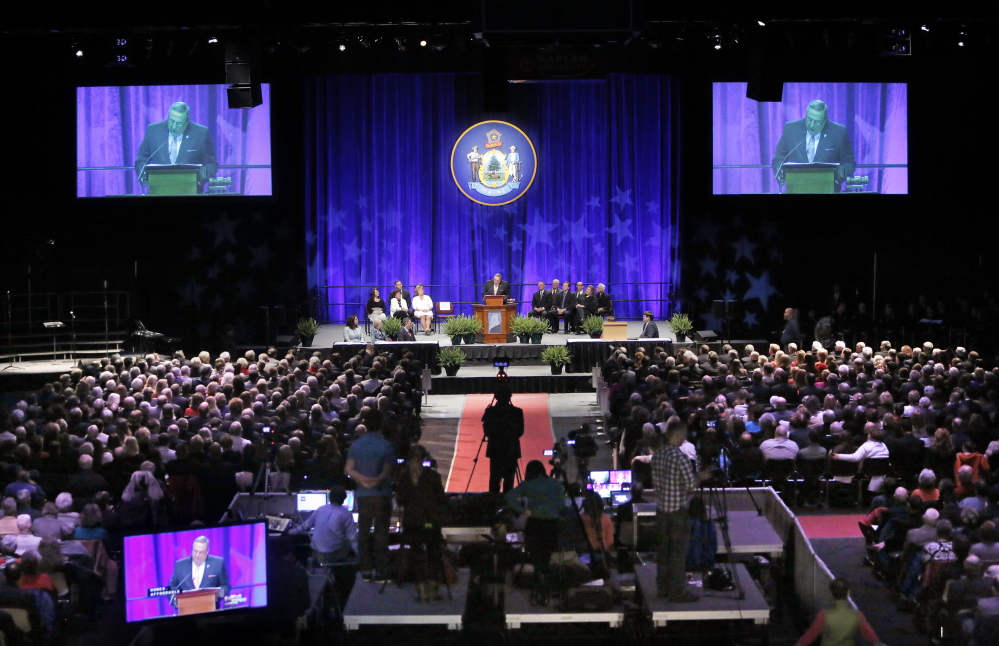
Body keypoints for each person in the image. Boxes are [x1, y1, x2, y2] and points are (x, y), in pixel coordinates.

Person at [504, 460, 566, 605]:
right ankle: (545, 582)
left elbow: (508, 497)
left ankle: (539, 581)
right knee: (547, 553)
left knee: (537, 554)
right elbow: (562, 506)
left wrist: (522, 510)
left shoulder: (528, 484)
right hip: (552, 523)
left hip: (535, 523)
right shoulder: (556, 484)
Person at [395, 445, 449, 602]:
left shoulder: (404, 477)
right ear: (425, 459)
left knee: (417, 555)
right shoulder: (433, 476)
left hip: (412, 522)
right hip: (430, 522)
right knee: (434, 554)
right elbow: (441, 499)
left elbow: (400, 500)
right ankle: (433, 590)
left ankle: (421, 592)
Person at [651, 423, 698, 602]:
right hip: (678, 511)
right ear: (678, 436)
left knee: (663, 551)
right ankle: (677, 592)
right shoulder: (680, 457)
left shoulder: (658, 455)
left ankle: (662, 589)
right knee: (678, 553)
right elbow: (690, 485)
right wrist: (700, 477)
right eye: (684, 435)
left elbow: (656, 484)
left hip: (661, 510)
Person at [345, 421, 396, 581]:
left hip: (363, 495)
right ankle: (381, 571)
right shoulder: (387, 445)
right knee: (382, 533)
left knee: (364, 533)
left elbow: (348, 470)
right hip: (382, 495)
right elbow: (388, 471)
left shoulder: (356, 445)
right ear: (380, 426)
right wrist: (375, 481)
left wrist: (363, 480)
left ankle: (366, 570)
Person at [771, 99, 856, 191]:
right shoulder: (791, 129)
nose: (811, 125)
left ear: (825, 119)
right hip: (796, 188)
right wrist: (781, 175)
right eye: (809, 119)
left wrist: (839, 174)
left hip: (827, 189)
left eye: (816, 122)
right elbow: (779, 159)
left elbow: (849, 163)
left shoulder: (839, 132)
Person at [135, 101, 218, 190]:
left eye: (178, 123)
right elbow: (141, 160)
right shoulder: (153, 130)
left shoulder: (201, 133)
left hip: (190, 191)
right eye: (171, 121)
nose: (173, 126)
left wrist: (198, 178)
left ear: (187, 122)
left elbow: (211, 164)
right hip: (159, 190)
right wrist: (146, 178)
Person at [795, 578, 885, 646]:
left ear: (831, 594)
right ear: (848, 593)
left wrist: (799, 644)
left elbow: (811, 634)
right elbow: (868, 633)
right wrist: (878, 642)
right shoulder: (857, 615)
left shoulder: (824, 615)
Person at [292, 485, 357, 564]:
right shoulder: (346, 514)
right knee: (348, 542)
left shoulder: (321, 509)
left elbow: (306, 525)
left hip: (316, 552)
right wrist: (360, 555)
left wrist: (291, 531)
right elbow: (352, 538)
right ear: (344, 499)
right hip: (333, 554)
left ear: (329, 497)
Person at [481, 385, 524, 494]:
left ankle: (494, 503)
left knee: (494, 480)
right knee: (509, 481)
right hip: (511, 449)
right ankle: (507, 504)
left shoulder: (490, 412)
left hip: (495, 450)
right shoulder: (517, 412)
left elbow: (487, 432)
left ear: (496, 397)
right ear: (510, 397)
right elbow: (520, 432)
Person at [168, 536, 230, 607]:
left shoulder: (218, 563)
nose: (197, 555)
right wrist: (176, 602)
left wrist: (217, 595)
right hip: (186, 610)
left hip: (211, 610)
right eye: (195, 551)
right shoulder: (180, 565)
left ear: (207, 551)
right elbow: (172, 588)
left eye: (201, 552)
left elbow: (225, 586)